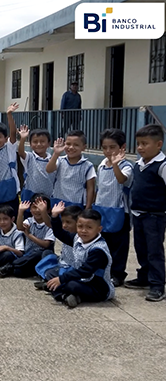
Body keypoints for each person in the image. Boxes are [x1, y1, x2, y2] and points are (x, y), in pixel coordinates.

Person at [124, 124, 166, 302]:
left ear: (159, 145)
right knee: (141, 248)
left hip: (155, 215)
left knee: (154, 250)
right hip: (138, 213)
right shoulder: (138, 164)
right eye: (138, 144)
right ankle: (144, 277)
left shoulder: (162, 165)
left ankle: (157, 284)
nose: (140, 147)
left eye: (145, 143)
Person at [46, 209, 115, 308]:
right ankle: (63, 292)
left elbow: (85, 271)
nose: (83, 231)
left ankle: (61, 294)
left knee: (71, 285)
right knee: (51, 273)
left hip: (98, 287)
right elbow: (60, 234)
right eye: (80, 226)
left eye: (89, 227)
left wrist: (61, 279)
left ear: (99, 229)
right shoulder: (78, 238)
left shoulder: (98, 250)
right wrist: (55, 217)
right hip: (80, 279)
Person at [93, 128, 133, 288]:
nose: (108, 151)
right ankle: (104, 271)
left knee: (119, 245)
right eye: (105, 147)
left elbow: (122, 179)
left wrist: (115, 164)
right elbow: (99, 188)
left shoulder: (126, 166)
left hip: (120, 211)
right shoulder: (102, 165)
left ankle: (118, 274)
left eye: (112, 147)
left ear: (122, 147)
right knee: (104, 243)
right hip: (102, 209)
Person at [1, 194, 56, 278]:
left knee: (39, 252)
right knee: (17, 272)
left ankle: (13, 264)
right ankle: (23, 268)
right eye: (34, 207)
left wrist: (29, 235)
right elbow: (19, 227)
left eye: (40, 208)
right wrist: (20, 211)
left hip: (42, 255)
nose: (37, 210)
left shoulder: (50, 225)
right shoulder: (29, 221)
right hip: (28, 256)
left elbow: (46, 244)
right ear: (30, 209)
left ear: (48, 210)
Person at [34, 202, 82, 291]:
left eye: (68, 222)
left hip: (72, 269)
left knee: (50, 273)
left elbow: (58, 232)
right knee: (46, 254)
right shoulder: (68, 233)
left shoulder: (79, 237)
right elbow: (57, 230)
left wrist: (54, 217)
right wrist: (54, 216)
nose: (64, 225)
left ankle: (53, 286)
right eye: (63, 222)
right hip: (62, 262)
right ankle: (51, 283)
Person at [46, 130, 96, 209]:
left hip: (76, 204)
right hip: (58, 201)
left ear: (84, 147)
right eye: (68, 144)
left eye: (76, 145)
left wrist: (88, 207)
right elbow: (49, 169)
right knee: (56, 221)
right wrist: (56, 153)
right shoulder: (60, 160)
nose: (71, 147)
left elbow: (91, 188)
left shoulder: (88, 166)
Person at [17, 125, 55, 203]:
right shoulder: (30, 157)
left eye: (42, 141)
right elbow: (21, 152)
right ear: (30, 144)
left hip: (47, 195)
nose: (38, 144)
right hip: (30, 194)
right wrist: (23, 138)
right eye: (35, 142)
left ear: (48, 143)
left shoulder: (53, 160)